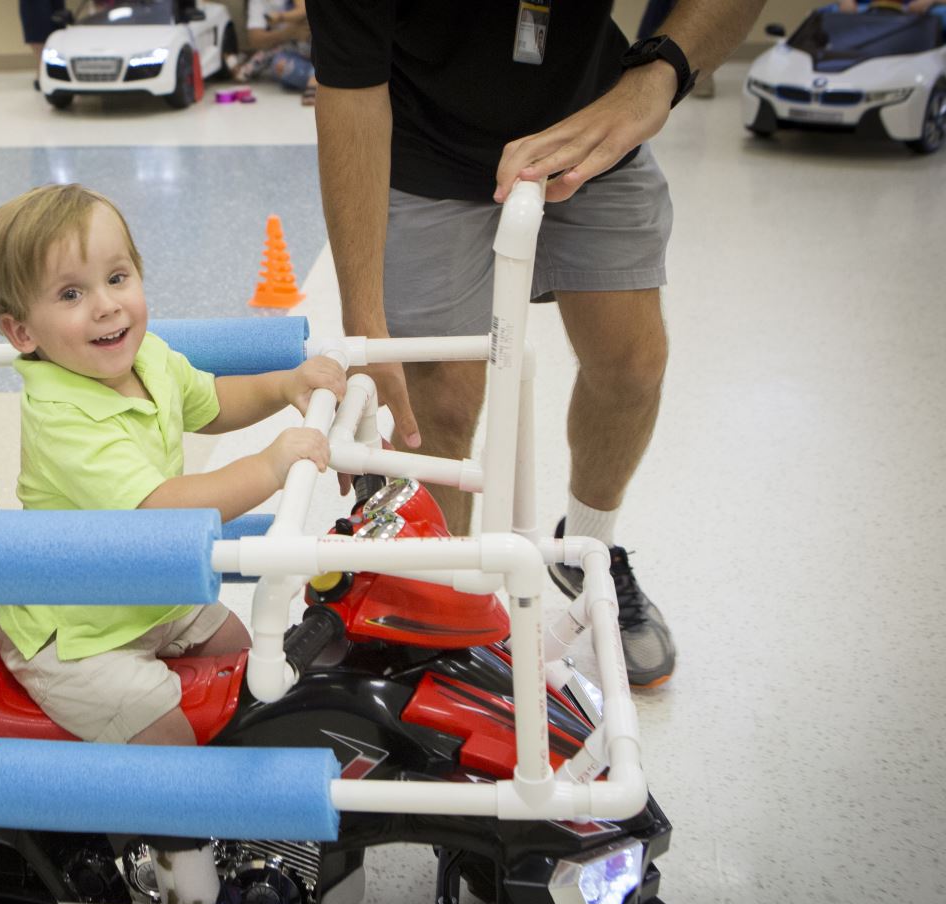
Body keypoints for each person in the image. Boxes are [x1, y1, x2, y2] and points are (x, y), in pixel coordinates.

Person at [308, 2, 764, 688]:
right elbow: (350, 91)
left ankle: (588, 552)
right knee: (438, 404)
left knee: (633, 365)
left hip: (593, 120)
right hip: (424, 140)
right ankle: (438, 611)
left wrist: (658, 77)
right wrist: (365, 319)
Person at [0, 183, 343, 904]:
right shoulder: (65, 418)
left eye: (118, 277)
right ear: (22, 332)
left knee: (245, 657)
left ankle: (240, 815)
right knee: (164, 741)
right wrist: (270, 467)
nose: (107, 306)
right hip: (77, 634)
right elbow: (163, 509)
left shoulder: (149, 359)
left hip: (148, 592)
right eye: (71, 294)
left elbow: (213, 400)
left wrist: (285, 384)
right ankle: (184, 892)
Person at [237, 0, 319, 104]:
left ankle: (315, 80)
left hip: (317, 47)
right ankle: (313, 79)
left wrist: (280, 17)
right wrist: (288, 33)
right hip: (292, 49)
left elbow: (304, 10)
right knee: (279, 64)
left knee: (321, 60)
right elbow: (256, 40)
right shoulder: (259, 3)